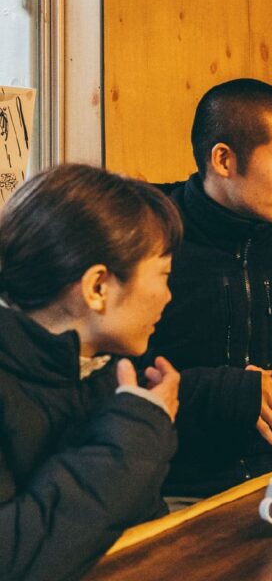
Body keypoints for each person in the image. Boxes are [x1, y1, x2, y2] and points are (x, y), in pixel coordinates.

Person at [144, 78, 272, 497]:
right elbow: (109, 372)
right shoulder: (149, 239)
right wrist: (228, 392)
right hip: (177, 487)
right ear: (223, 159)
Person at [0, 164, 182, 580]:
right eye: (164, 276)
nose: (168, 296)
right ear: (97, 287)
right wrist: (138, 430)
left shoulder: (102, 369)